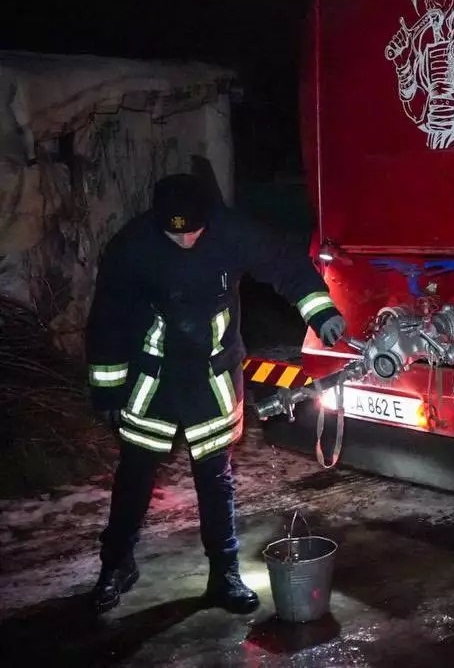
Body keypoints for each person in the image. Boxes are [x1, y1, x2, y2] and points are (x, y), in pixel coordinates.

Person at [84, 173, 346, 614]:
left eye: (193, 231)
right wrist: (107, 392)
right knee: (134, 476)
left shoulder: (233, 232)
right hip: (155, 381)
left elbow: (286, 265)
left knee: (215, 478)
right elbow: (107, 320)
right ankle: (115, 566)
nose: (185, 240)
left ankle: (223, 574)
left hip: (212, 377)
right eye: (175, 232)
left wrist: (321, 315)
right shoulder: (131, 247)